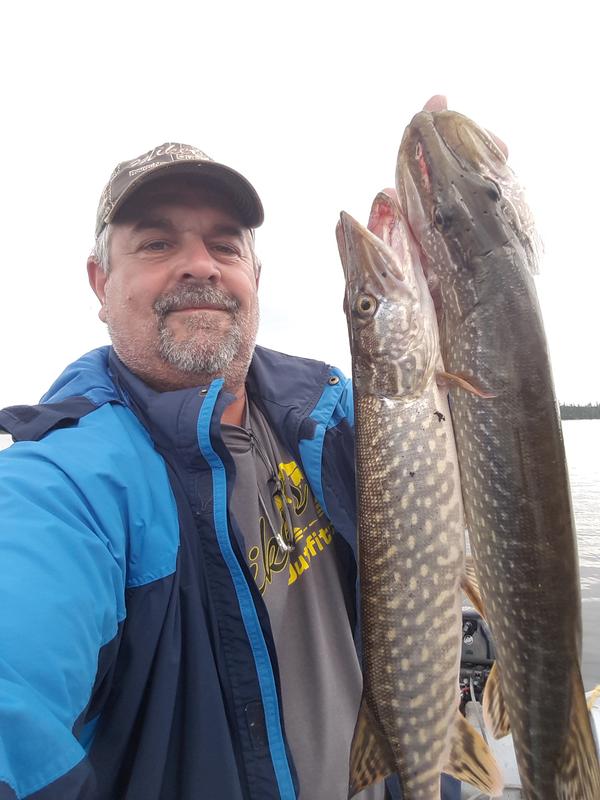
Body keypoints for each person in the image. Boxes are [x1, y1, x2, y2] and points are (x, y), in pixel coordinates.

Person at [0, 130, 462, 798]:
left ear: (255, 277)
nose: (200, 266)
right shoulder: (65, 489)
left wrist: (475, 273)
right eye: (156, 244)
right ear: (100, 283)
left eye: (224, 245)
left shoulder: (334, 415)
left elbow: (489, 468)